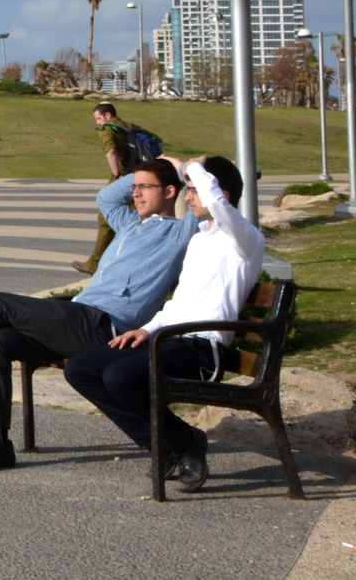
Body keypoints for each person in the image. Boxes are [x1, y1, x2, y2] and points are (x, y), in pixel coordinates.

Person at [0, 158, 196, 473]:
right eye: (135, 186)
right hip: (77, 317)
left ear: (170, 191)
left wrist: (183, 168)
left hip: (105, 326)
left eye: (145, 187)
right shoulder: (130, 223)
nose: (136, 193)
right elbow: (106, 197)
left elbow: (210, 202)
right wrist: (143, 174)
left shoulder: (180, 233)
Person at [63, 156, 261, 493]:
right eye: (188, 190)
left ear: (221, 195)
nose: (188, 197)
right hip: (169, 338)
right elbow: (179, 303)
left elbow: (216, 201)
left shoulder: (245, 239)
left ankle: (182, 442)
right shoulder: (201, 237)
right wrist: (147, 329)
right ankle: (171, 443)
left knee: (120, 377)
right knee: (81, 369)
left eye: (195, 191)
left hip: (202, 349)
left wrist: (190, 166)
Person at [74, 102, 140, 273]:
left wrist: (117, 174)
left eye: (98, 118)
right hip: (142, 176)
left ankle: (95, 264)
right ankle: (135, 262)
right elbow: (159, 142)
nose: (97, 122)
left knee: (106, 218)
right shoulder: (131, 127)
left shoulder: (108, 129)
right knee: (139, 219)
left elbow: (110, 152)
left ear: (108, 116)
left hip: (124, 177)